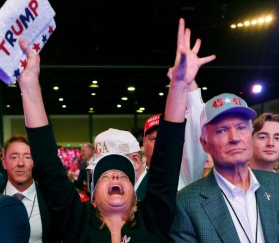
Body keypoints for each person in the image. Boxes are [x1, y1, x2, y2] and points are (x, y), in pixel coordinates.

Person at [17, 17, 215, 242]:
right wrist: (30, 84)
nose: (115, 176)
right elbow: (47, 165)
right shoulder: (77, 222)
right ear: (92, 199)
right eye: (104, 176)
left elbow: (166, 161)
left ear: (135, 198)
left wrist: (179, 86)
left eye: (123, 176)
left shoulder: (151, 221)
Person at [169, 93, 279, 242]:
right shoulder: (186, 204)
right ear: (205, 143)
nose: (235, 138)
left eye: (241, 128)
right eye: (222, 130)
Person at [0, 134, 51, 243]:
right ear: (4, 162)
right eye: (14, 157)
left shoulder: (49, 198)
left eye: (27, 157)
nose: (21, 163)